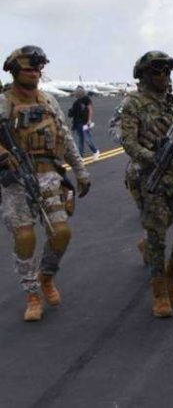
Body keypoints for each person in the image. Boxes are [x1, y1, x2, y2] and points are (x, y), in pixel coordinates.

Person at [0, 46, 91, 321]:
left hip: (50, 175)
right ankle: (31, 293)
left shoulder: (49, 101)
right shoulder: (4, 102)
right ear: (15, 71)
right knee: (25, 236)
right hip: (17, 181)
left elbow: (65, 136)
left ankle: (47, 276)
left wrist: (81, 171)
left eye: (39, 69)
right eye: (29, 69)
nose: (36, 74)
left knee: (61, 232)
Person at [120, 51, 173, 318]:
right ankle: (159, 289)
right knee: (157, 237)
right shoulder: (133, 103)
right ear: (145, 75)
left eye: (166, 72)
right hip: (153, 177)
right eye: (157, 72)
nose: (163, 77)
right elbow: (128, 141)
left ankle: (171, 274)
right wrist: (152, 157)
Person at [68, 86, 100, 159]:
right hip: (78, 123)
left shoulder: (86, 99)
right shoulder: (76, 103)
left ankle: (95, 151)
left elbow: (90, 109)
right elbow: (74, 115)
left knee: (87, 139)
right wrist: (73, 127)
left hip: (85, 123)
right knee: (80, 140)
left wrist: (89, 120)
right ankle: (81, 156)